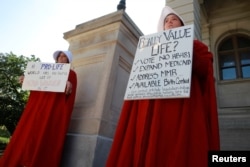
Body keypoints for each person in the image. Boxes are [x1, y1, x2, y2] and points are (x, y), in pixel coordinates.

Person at [106, 6, 220, 167]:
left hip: (183, 108)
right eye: (166, 21)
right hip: (152, 109)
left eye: (174, 19)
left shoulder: (196, 45)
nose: (170, 22)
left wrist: (187, 53)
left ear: (182, 25)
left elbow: (205, 70)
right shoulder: (151, 49)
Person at [0, 50, 77, 167]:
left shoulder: (71, 74)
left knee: (45, 139)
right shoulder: (45, 70)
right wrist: (27, 81)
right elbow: (37, 88)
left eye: (64, 56)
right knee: (27, 136)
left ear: (68, 59)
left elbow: (70, 96)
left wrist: (68, 86)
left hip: (53, 111)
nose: (61, 58)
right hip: (38, 109)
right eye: (59, 56)